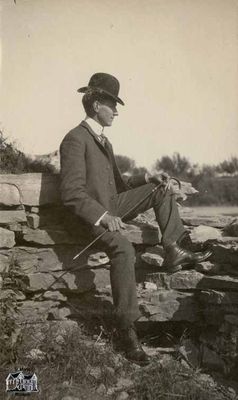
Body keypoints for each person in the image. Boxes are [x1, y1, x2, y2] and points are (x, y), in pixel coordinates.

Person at [59, 72, 211, 365]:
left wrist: (146, 177)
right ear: (94, 106)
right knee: (124, 247)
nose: (116, 110)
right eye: (111, 103)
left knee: (161, 187)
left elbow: (116, 186)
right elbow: (71, 193)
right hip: (88, 219)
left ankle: (173, 247)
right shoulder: (75, 139)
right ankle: (126, 330)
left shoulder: (103, 140)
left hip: (109, 205)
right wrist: (103, 217)